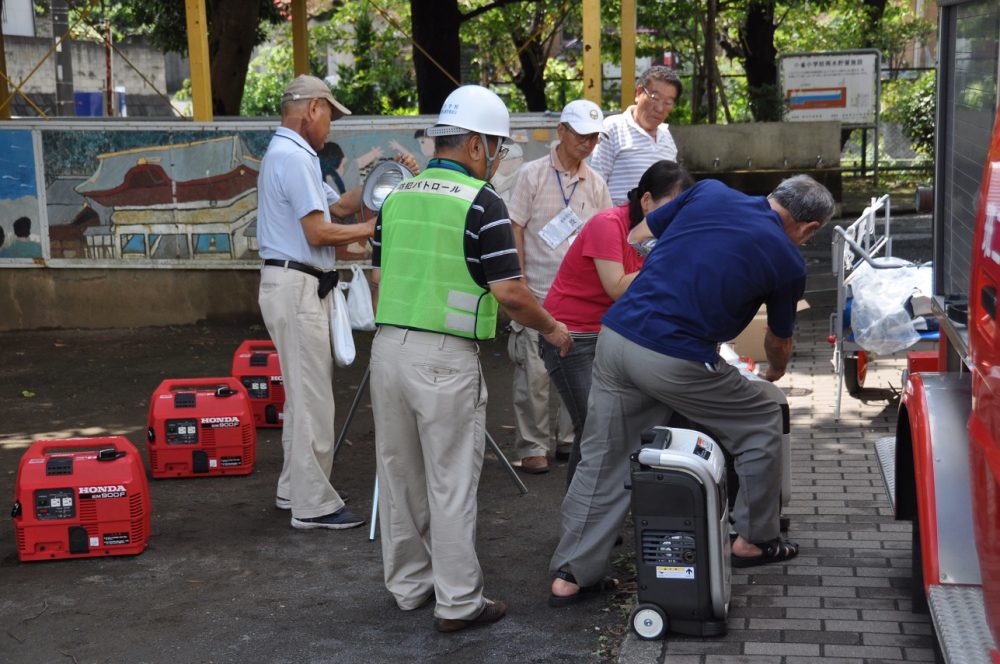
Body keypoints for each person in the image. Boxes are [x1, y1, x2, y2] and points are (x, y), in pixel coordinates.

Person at [548, 175, 835, 605]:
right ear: (809, 228)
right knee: (761, 417)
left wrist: (674, 274)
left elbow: (639, 234)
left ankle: (571, 575)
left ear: (772, 192)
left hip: (617, 337)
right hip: (674, 356)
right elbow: (778, 340)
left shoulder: (711, 192)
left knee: (602, 459)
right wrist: (774, 371)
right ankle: (755, 539)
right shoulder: (788, 260)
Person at [369, 85, 573, 633]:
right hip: (444, 357)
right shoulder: (482, 204)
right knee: (451, 480)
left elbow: (379, 277)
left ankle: (411, 586)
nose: (499, 160)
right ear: (479, 145)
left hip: (387, 351)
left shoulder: (398, 196)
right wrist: (551, 326)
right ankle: (458, 602)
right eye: (499, 149)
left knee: (400, 476)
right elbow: (509, 291)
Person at [257, 75, 403, 531]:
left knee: (303, 397)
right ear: (313, 108)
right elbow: (319, 233)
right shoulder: (294, 157)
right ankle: (313, 505)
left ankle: (293, 490)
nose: (331, 127)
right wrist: (377, 227)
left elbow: (336, 208)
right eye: (331, 116)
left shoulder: (289, 154)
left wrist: (385, 180)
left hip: (295, 285)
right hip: (298, 285)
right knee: (314, 400)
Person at [540, 160, 692, 485]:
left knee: (618, 425)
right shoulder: (608, 224)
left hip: (613, 338)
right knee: (595, 426)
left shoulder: (660, 231)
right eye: (670, 208)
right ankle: (581, 517)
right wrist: (670, 262)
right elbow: (618, 287)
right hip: (571, 336)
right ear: (647, 200)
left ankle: (605, 511)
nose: (675, 218)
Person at [506, 99, 612, 475]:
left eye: (594, 138)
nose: (587, 144)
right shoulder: (532, 174)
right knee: (533, 374)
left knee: (579, 369)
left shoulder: (596, 183)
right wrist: (516, 277)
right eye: (581, 135)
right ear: (562, 132)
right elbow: (515, 225)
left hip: (580, 298)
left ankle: (571, 436)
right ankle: (533, 444)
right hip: (536, 289)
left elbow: (605, 235)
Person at [589, 65, 682, 205]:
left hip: (658, 224)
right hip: (620, 223)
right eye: (655, 98)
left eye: (668, 103)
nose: (660, 108)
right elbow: (594, 184)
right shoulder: (613, 128)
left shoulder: (666, 135)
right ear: (638, 93)